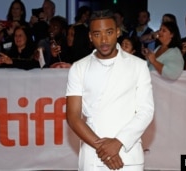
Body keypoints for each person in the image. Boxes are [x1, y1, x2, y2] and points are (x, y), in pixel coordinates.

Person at [66, 9, 154, 171]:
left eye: (109, 32)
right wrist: (104, 150)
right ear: (90, 37)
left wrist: (118, 142)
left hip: (128, 153)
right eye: (97, 34)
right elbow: (73, 116)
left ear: (118, 32)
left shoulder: (138, 66)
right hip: (93, 153)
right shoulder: (79, 68)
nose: (104, 39)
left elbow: (146, 111)